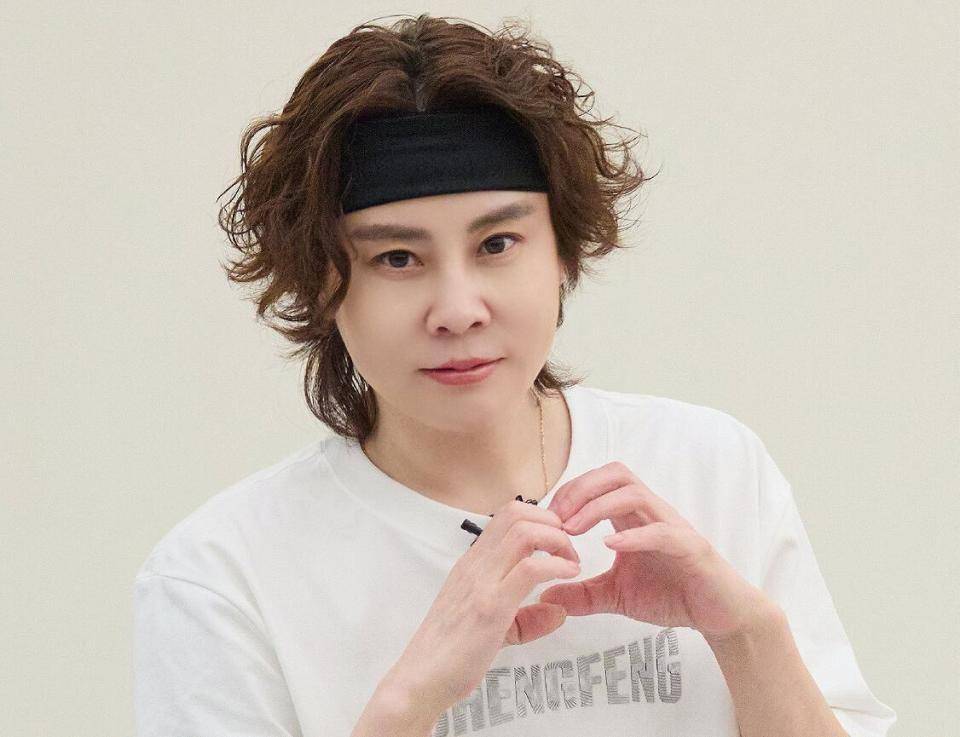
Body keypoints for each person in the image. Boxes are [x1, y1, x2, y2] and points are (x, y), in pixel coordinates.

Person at [132, 13, 896, 737]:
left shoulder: (712, 469)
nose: (458, 309)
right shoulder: (221, 576)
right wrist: (409, 697)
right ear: (322, 282)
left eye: (496, 244)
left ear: (562, 250)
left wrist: (746, 633)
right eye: (397, 257)